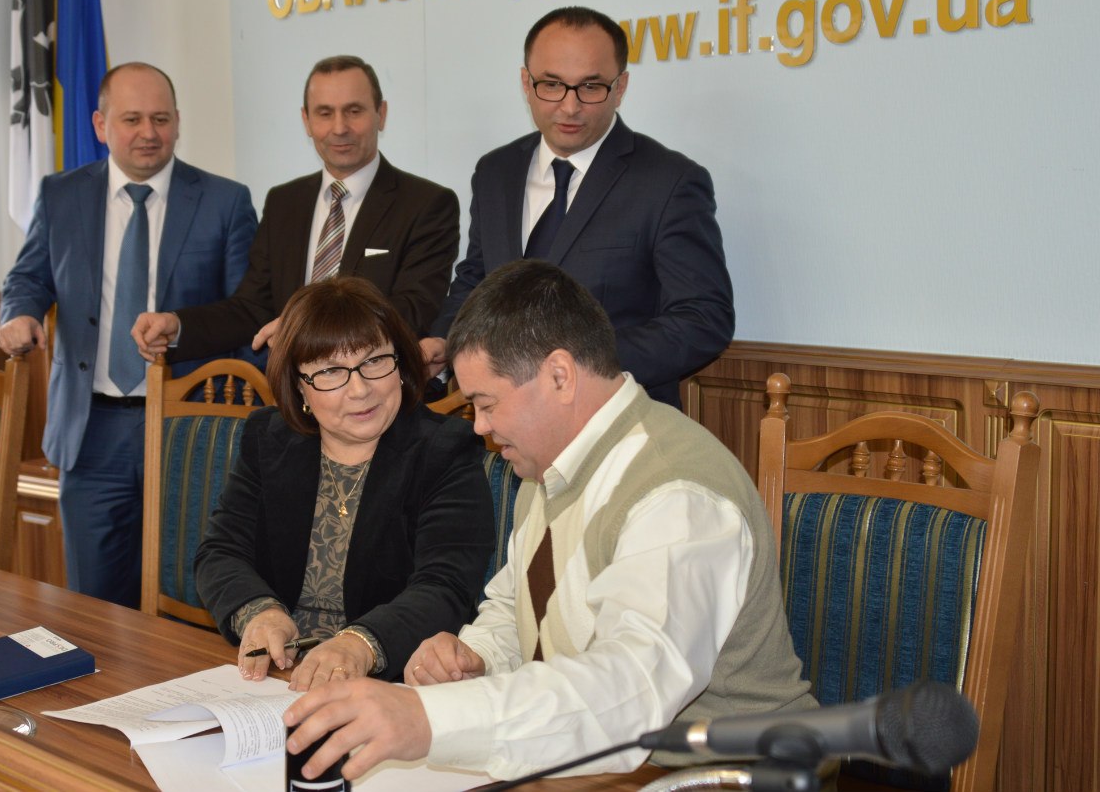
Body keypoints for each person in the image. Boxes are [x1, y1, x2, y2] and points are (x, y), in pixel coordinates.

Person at [283, 259, 813, 782]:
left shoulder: (676, 492)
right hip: (617, 768)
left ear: (559, 375)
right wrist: (476, 655)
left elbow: (632, 691)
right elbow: (517, 607)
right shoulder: (550, 464)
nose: (479, 427)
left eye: (486, 403)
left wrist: (429, 719)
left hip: (732, 774)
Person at [0, 62, 258, 607]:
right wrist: (19, 315)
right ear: (100, 124)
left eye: (160, 119)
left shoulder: (225, 201)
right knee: (93, 603)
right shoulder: (61, 195)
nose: (148, 132)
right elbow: (28, 277)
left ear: (178, 122)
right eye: (132, 119)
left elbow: (247, 311)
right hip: (90, 430)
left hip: (189, 427)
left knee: (190, 595)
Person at [420, 6, 735, 409]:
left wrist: (580, 368)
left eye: (590, 87)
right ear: (526, 83)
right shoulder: (496, 171)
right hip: (502, 425)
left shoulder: (669, 181)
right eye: (551, 84)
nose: (569, 107)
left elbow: (703, 318)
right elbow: (478, 279)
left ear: (620, 87)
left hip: (618, 421)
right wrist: (444, 339)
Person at [195, 277, 494, 689]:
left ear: (401, 364)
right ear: (300, 387)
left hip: (387, 683)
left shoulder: (445, 449)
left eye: (375, 361)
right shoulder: (269, 438)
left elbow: (445, 586)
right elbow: (220, 552)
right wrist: (259, 613)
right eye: (331, 371)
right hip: (275, 677)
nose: (360, 389)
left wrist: (359, 644)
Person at [131, 55, 460, 367]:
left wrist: (303, 327)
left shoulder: (427, 204)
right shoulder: (284, 202)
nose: (339, 127)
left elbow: (411, 310)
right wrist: (178, 325)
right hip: (289, 396)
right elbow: (253, 308)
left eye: (354, 110)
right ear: (306, 120)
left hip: (378, 393)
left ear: (381, 114)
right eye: (325, 113)